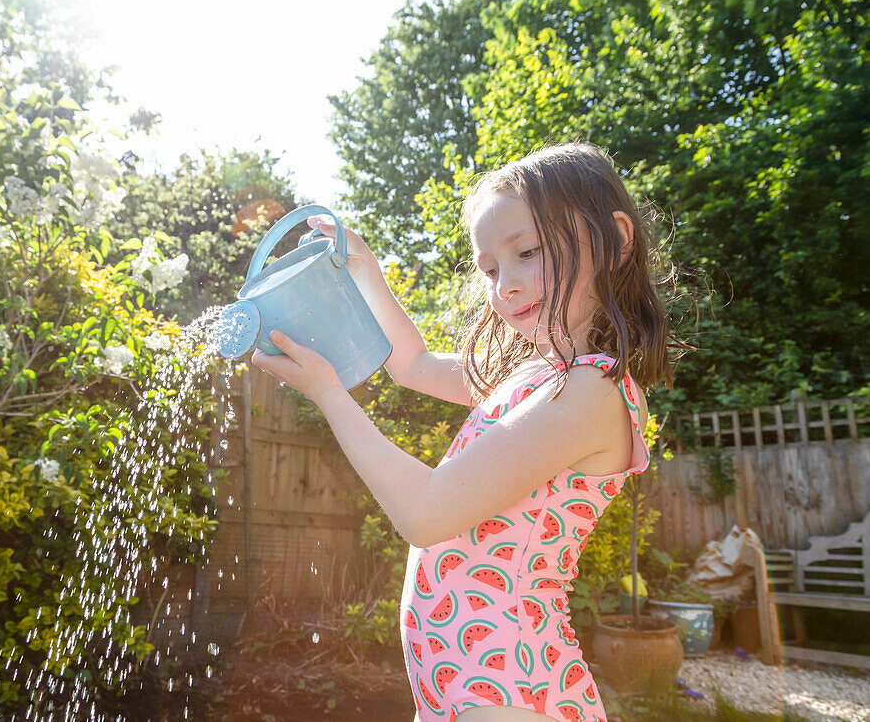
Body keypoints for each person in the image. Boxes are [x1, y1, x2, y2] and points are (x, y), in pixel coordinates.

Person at [250, 141, 678, 722]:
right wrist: (364, 272)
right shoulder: (532, 375)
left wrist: (329, 394)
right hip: (472, 680)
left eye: (527, 251)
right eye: (490, 269)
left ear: (616, 240)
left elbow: (427, 514)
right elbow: (412, 366)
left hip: (509, 683)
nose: (505, 284)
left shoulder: (591, 392)